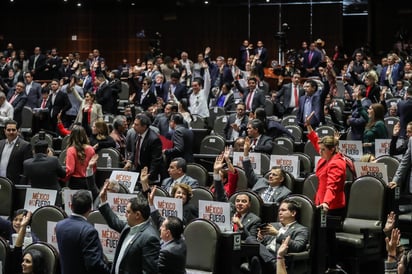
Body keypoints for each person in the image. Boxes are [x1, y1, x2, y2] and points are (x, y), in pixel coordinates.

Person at [306, 113, 347, 273]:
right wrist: (309, 127)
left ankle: (332, 266)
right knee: (322, 236)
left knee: (329, 238)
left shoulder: (337, 164)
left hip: (332, 205)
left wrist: (326, 203)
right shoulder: (327, 156)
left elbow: (333, 186)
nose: (319, 151)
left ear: (332, 149)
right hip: (321, 202)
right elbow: (317, 142)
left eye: (323, 150)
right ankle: (326, 265)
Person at [98, 181, 161, 274]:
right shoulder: (129, 227)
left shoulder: (150, 238)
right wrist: (103, 201)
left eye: (128, 212)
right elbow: (114, 222)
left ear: (137, 215)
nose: (125, 214)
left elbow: (149, 271)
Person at [245, 199, 309, 274]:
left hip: (280, 258)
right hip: (267, 256)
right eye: (279, 211)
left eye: (283, 210)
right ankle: (272, 263)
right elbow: (262, 245)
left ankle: (273, 263)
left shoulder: (301, 229)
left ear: (293, 213)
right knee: (250, 239)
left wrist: (277, 234)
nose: (280, 213)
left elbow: (297, 246)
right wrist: (260, 238)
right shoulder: (273, 225)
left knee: (256, 260)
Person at [56, 190, 110, 274]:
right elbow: (94, 264)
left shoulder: (59, 225)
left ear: (71, 206)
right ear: (90, 208)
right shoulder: (89, 231)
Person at [242, 136, 291, 204]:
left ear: (281, 179)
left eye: (274, 175)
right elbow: (248, 171)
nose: (270, 176)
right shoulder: (261, 181)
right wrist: (246, 151)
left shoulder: (285, 193)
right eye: (270, 174)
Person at [124, 113, 163, 182]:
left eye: (136, 125)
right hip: (137, 170)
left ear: (144, 126)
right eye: (134, 123)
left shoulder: (154, 139)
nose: (133, 126)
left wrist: (149, 176)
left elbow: (155, 161)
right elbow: (135, 151)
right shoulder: (136, 134)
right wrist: (130, 161)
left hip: (148, 173)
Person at [64, 126, 97, 191]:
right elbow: (94, 168)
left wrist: (62, 178)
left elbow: (70, 170)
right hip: (89, 181)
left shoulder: (71, 150)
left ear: (72, 136)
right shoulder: (91, 149)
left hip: (75, 183)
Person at [0, 120, 32, 184]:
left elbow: (27, 168)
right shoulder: (0, 143)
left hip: (15, 183)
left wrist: (22, 184)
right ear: (4, 131)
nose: (11, 132)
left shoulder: (25, 145)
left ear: (17, 131)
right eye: (8, 130)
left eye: (13, 130)